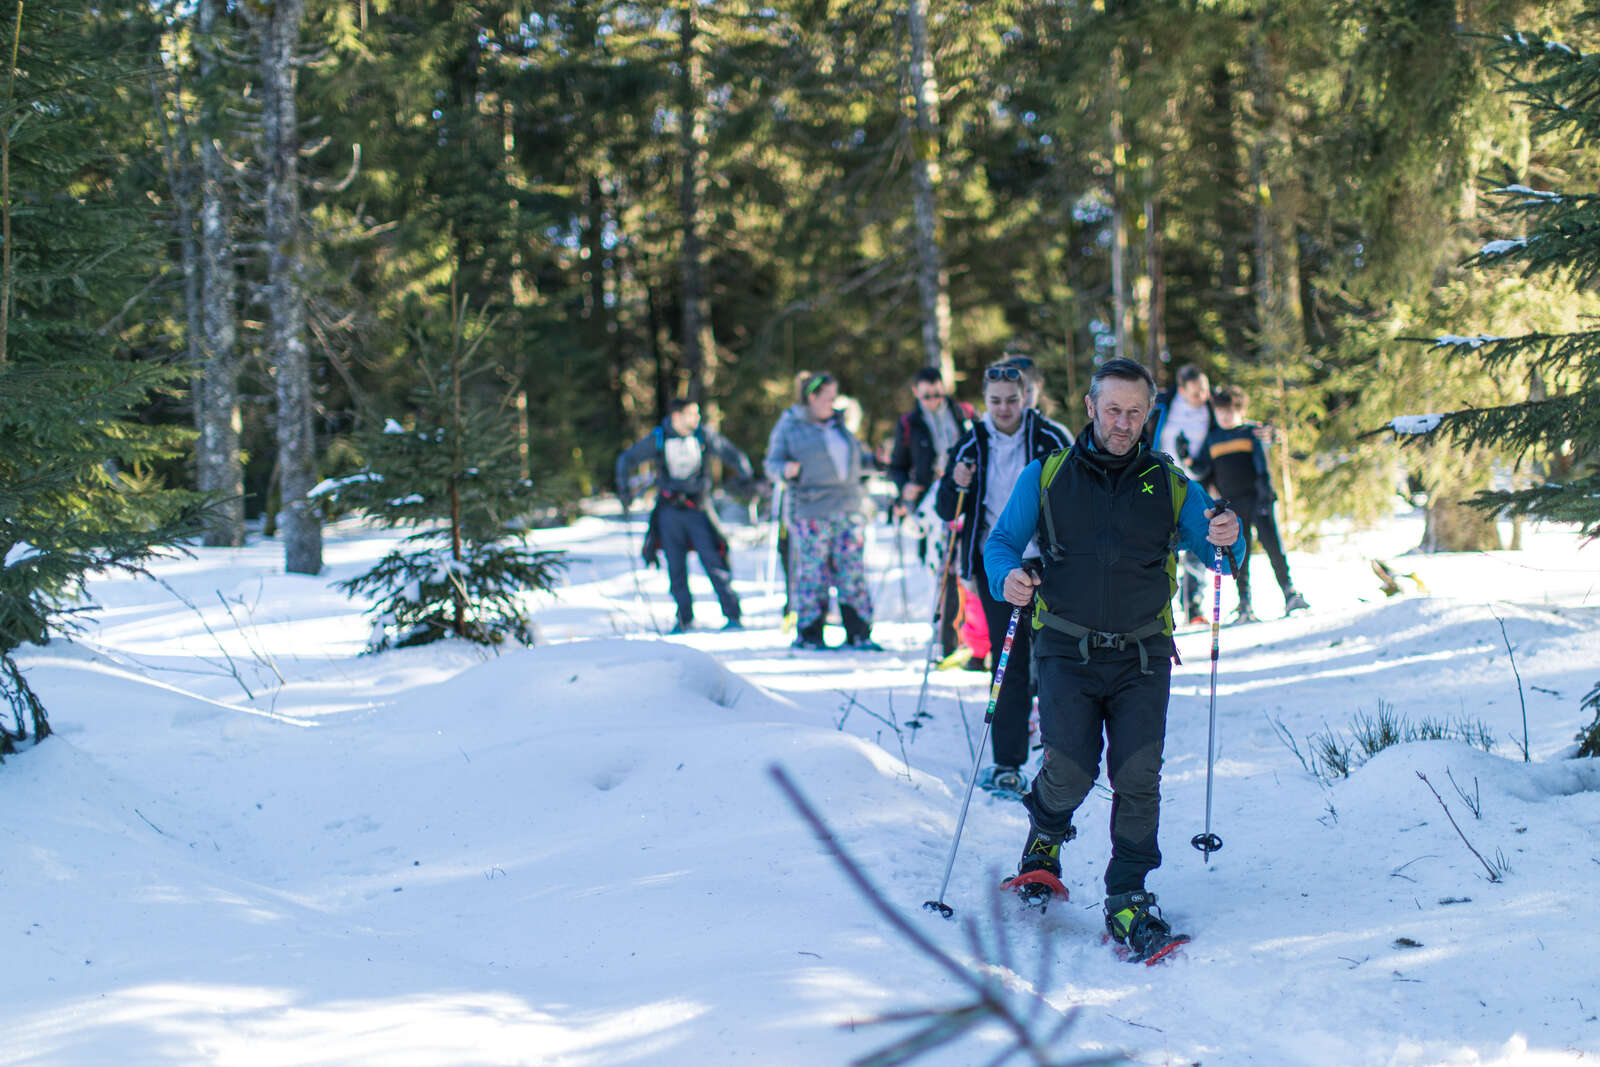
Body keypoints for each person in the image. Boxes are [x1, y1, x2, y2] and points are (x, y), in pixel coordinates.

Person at [984, 357, 1239, 961]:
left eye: (1135, 411)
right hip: (1065, 647)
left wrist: (1229, 535)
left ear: (1148, 414)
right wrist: (1007, 579)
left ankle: (1128, 893)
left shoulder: (1170, 481)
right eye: (1113, 410)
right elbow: (1001, 544)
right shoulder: (1046, 477)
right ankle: (1044, 839)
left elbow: (1217, 545)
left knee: (1137, 775)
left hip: (1143, 652)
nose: (1123, 423)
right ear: (1091, 409)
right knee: (1070, 770)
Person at [934, 362, 1073, 795]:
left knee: (1055, 658)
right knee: (1008, 661)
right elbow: (945, 507)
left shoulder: (1050, 437)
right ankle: (1008, 761)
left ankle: (1063, 754)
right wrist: (955, 483)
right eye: (995, 400)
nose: (1005, 408)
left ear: (1026, 395)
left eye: (1012, 399)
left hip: (1049, 561)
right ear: (985, 400)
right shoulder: (971, 443)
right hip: (997, 562)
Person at [764, 371, 882, 651]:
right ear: (811, 397)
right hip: (811, 510)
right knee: (812, 572)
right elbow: (771, 464)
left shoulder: (839, 425)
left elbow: (852, 465)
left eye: (835, 397)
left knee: (851, 571)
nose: (833, 402)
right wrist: (786, 470)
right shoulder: (790, 426)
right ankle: (810, 633)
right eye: (828, 397)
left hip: (848, 508)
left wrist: (875, 462)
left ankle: (859, 631)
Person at [615, 398, 753, 634]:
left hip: (698, 508)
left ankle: (732, 614)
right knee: (675, 566)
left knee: (714, 561)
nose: (698, 418)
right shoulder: (659, 437)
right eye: (692, 414)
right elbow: (626, 459)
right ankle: (684, 618)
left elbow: (733, 454)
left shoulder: (703, 436)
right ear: (677, 417)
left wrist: (745, 478)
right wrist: (624, 490)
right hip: (669, 511)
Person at [1191, 385, 1309, 620]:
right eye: (1220, 411)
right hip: (1231, 507)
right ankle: (1244, 602)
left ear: (1241, 411)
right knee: (1238, 555)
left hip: (1258, 500)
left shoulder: (1251, 432)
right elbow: (1201, 468)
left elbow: (1263, 460)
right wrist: (1186, 456)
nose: (1224, 416)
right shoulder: (1212, 438)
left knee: (1273, 547)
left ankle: (1289, 592)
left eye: (1230, 411)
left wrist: (1265, 494)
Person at [888, 367, 975, 658]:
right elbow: (897, 465)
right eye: (927, 396)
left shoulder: (961, 413)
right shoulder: (909, 423)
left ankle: (972, 639)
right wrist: (905, 487)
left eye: (938, 394)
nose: (933, 400)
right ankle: (946, 639)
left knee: (967, 568)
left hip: (965, 497)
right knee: (940, 570)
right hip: (930, 505)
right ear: (916, 393)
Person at [1149, 363, 1219, 624]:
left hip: (1196, 483)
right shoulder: (1163, 405)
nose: (1202, 396)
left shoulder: (1211, 408)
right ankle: (1156, 602)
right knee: (1159, 542)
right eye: (1195, 393)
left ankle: (1194, 604)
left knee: (1197, 541)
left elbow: (1232, 420)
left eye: (1204, 389)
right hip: (1160, 483)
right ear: (1181, 390)